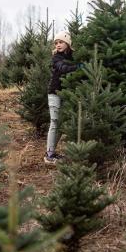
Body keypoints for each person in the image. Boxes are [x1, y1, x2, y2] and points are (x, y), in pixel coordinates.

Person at [44, 31, 81, 165]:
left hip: (67, 93)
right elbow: (63, 68)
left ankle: (53, 152)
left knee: (60, 124)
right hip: (54, 93)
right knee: (54, 121)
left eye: (61, 42)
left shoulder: (74, 57)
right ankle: (49, 155)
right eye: (56, 43)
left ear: (67, 43)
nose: (58, 45)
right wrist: (78, 67)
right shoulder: (56, 58)